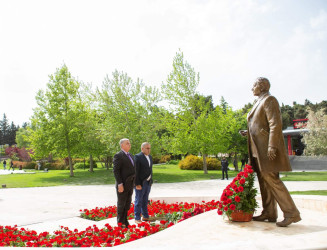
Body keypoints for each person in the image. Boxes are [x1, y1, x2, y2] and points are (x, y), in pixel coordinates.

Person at [240, 77, 301, 227]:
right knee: (263, 180)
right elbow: (261, 126)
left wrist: (272, 146)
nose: (251, 88)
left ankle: (292, 213)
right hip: (257, 148)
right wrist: (248, 132)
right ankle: (269, 212)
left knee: (272, 179)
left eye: (253, 85)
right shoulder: (259, 102)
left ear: (261, 87)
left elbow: (275, 124)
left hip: (266, 149)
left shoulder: (269, 100)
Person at [113, 138, 136, 228]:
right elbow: (116, 171)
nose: (129, 144)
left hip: (130, 184)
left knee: (127, 203)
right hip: (122, 184)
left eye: (129, 143)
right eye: (127, 143)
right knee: (121, 204)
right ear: (122, 145)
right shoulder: (118, 155)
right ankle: (120, 222)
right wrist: (120, 184)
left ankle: (125, 221)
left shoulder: (130, 155)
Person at [134, 142, 153, 224]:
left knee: (145, 200)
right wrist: (137, 184)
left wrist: (151, 180)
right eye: (147, 148)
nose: (149, 150)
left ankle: (145, 216)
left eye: (149, 148)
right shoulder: (137, 157)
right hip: (140, 183)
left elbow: (150, 169)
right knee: (138, 201)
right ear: (142, 149)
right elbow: (135, 172)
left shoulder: (150, 157)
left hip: (148, 183)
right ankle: (137, 218)